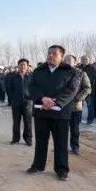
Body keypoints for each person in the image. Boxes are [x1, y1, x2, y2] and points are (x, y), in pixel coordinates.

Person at [27, 45, 81, 181]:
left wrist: (56, 102)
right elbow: (32, 87)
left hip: (61, 113)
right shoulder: (39, 71)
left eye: (54, 53)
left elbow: (72, 90)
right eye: (49, 53)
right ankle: (38, 165)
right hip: (41, 111)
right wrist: (43, 99)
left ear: (61, 56)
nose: (51, 55)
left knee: (61, 142)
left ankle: (61, 169)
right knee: (41, 141)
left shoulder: (71, 71)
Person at [64, 54, 92, 155]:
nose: (67, 62)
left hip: (75, 106)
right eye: (65, 60)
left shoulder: (81, 74)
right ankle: (61, 147)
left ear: (75, 62)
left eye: (69, 60)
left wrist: (78, 98)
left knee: (75, 129)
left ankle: (75, 146)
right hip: (62, 106)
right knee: (61, 129)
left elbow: (87, 88)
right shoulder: (60, 73)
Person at [5, 58, 33, 146]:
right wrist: (13, 98)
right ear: (18, 66)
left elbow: (34, 88)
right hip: (16, 102)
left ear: (27, 66)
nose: (22, 66)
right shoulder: (13, 77)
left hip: (27, 102)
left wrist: (31, 97)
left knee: (28, 122)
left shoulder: (31, 77)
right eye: (21, 65)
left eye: (24, 65)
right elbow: (9, 88)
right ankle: (15, 138)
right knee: (16, 121)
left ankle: (28, 139)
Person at [78, 56, 96, 125]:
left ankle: (90, 120)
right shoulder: (78, 68)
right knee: (79, 106)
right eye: (83, 59)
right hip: (80, 90)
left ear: (89, 60)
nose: (84, 60)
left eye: (86, 59)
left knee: (90, 105)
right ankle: (78, 119)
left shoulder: (92, 68)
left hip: (89, 90)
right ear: (81, 60)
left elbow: (94, 79)